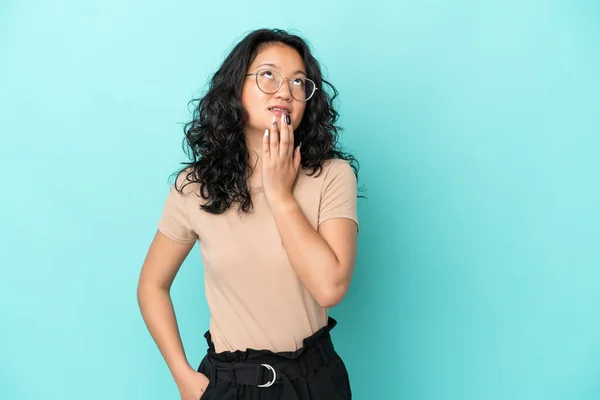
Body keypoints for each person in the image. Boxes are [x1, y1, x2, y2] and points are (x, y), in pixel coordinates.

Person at [137, 28, 360, 400]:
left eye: (298, 82)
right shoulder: (195, 186)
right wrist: (183, 377)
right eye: (268, 75)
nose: (285, 91)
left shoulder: (332, 175)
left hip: (315, 381)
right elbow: (151, 286)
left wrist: (280, 195)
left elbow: (329, 288)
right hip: (229, 384)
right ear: (235, 87)